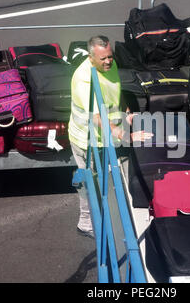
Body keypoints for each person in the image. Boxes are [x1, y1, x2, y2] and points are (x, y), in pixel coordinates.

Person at [68, 35, 152, 238]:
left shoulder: (108, 66)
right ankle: (86, 224)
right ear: (91, 57)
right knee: (90, 183)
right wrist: (127, 136)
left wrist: (127, 111)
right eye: (103, 58)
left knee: (104, 180)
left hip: (106, 136)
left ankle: (104, 215)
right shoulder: (84, 80)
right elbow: (97, 118)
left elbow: (116, 90)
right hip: (86, 140)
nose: (108, 62)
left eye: (110, 57)